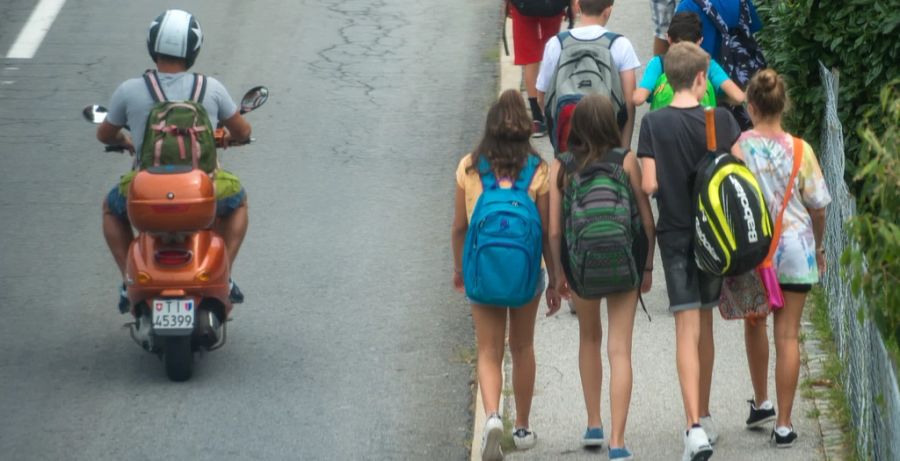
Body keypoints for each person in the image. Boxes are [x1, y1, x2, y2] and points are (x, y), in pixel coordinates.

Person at [96, 9, 252, 312]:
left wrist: (124, 141)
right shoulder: (211, 88)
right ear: (193, 51)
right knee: (239, 201)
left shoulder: (129, 90)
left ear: (152, 45)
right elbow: (243, 131)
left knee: (110, 209)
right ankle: (224, 275)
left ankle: (129, 282)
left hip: (146, 191)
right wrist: (234, 137)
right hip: (201, 188)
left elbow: (105, 134)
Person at [637, 42, 742, 461]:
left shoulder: (654, 124)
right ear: (702, 79)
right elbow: (738, 171)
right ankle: (706, 411)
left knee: (685, 328)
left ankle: (692, 427)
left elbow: (648, 185)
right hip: (713, 236)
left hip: (676, 234)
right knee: (706, 323)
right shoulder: (722, 120)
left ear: (667, 79)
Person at [451, 89, 560, 461]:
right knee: (522, 347)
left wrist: (458, 269)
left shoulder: (470, 166)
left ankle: (494, 416)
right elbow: (545, 232)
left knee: (488, 349)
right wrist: (556, 280)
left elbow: (459, 228)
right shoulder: (538, 168)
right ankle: (523, 427)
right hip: (527, 274)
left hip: (483, 273)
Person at [548, 94, 655, 460]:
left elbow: (554, 231)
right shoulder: (625, 160)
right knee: (620, 349)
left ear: (575, 126)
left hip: (582, 266)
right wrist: (647, 267)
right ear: (611, 123)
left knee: (589, 338)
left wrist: (559, 274)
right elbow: (646, 219)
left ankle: (594, 423)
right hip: (624, 264)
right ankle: (618, 441)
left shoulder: (561, 166)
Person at [737, 69, 831, 448]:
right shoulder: (800, 149)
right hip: (795, 248)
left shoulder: (740, 147)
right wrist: (819, 247)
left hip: (754, 251)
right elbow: (819, 205)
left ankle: (762, 401)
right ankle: (785, 425)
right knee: (788, 333)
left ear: (751, 106)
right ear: (783, 105)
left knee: (755, 323)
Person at [536, 0, 640, 148]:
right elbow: (629, 102)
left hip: (568, 143)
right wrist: (624, 149)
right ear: (608, 11)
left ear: (577, 5)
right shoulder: (621, 44)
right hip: (607, 143)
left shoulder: (556, 43)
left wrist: (557, 135)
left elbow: (542, 96)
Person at [632, 12, 745, 109]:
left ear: (668, 38)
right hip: (700, 127)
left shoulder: (659, 63)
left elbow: (638, 99)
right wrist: (716, 95)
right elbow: (739, 97)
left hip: (664, 128)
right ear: (700, 41)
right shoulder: (708, 64)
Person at [507, 0, 570, 137]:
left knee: (530, 58)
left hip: (523, 6)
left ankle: (537, 118)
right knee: (552, 50)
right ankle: (552, 110)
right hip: (551, 6)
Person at [674, 0, 762, 62]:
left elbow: (678, 46)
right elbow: (751, 30)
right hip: (741, 76)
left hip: (703, 77)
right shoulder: (742, 1)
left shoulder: (687, 5)